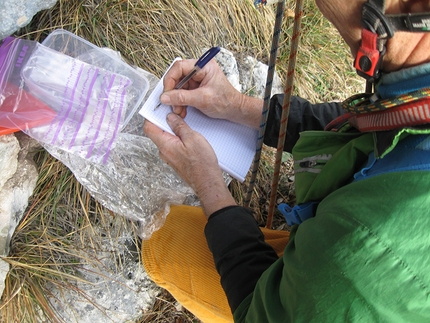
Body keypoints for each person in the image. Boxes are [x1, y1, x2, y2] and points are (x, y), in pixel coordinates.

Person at [141, 0, 430, 322]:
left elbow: (259, 315)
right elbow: (372, 122)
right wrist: (235, 105)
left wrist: (208, 184)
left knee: (165, 240)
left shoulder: (369, 251)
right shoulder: (415, 85)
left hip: (345, 282)